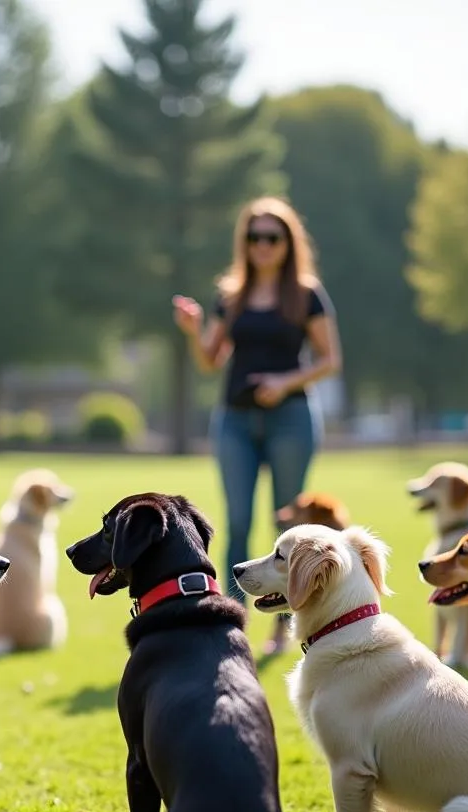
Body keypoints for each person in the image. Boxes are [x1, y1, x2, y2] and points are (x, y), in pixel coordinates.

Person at [173, 196, 342, 655]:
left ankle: (283, 629)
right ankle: (230, 627)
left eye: (272, 237)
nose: (262, 246)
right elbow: (210, 361)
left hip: (291, 418)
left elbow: (330, 360)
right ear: (244, 243)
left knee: (287, 526)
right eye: (254, 237)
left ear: (288, 243)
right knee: (239, 521)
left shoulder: (307, 294)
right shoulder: (231, 295)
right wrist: (194, 330)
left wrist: (284, 382)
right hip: (234, 419)